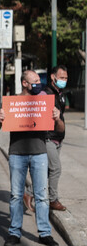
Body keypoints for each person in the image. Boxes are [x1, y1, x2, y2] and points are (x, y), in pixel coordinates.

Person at [0, 70, 64, 246]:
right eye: (35, 80)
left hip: (39, 152)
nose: (39, 83)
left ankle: (45, 233)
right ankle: (14, 232)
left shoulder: (44, 102)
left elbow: (61, 128)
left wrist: (56, 117)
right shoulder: (11, 102)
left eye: (39, 80)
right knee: (16, 195)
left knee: (41, 195)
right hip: (17, 153)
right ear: (24, 83)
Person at [44, 65, 68, 211]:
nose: (64, 80)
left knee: (48, 170)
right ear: (53, 77)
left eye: (66, 78)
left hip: (58, 137)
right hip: (49, 137)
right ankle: (53, 200)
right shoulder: (47, 94)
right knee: (56, 168)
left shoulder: (60, 93)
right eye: (61, 78)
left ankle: (27, 193)